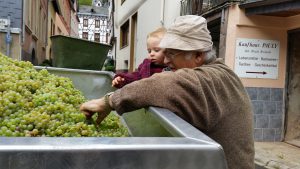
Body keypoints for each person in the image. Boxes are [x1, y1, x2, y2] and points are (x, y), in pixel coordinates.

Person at [80, 15, 254, 169]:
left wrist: (108, 101)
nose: (165, 59)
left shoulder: (211, 78)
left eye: (172, 53)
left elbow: (164, 84)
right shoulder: (218, 72)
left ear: (198, 56)